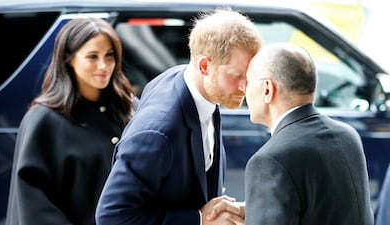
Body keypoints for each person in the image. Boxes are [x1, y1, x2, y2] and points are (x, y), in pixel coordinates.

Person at [95, 8, 262, 225]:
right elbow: (112, 216)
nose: (245, 87)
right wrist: (200, 220)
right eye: (238, 76)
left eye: (249, 76)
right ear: (205, 66)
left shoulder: (201, 85)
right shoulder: (157, 133)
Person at [5, 17, 135, 225]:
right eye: (92, 56)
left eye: (109, 56)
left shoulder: (130, 109)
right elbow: (33, 205)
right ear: (69, 58)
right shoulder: (43, 120)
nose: (103, 65)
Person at [244, 42, 374, 225]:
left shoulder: (270, 160)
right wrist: (255, 209)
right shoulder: (348, 136)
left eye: (248, 81)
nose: (244, 89)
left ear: (267, 89)